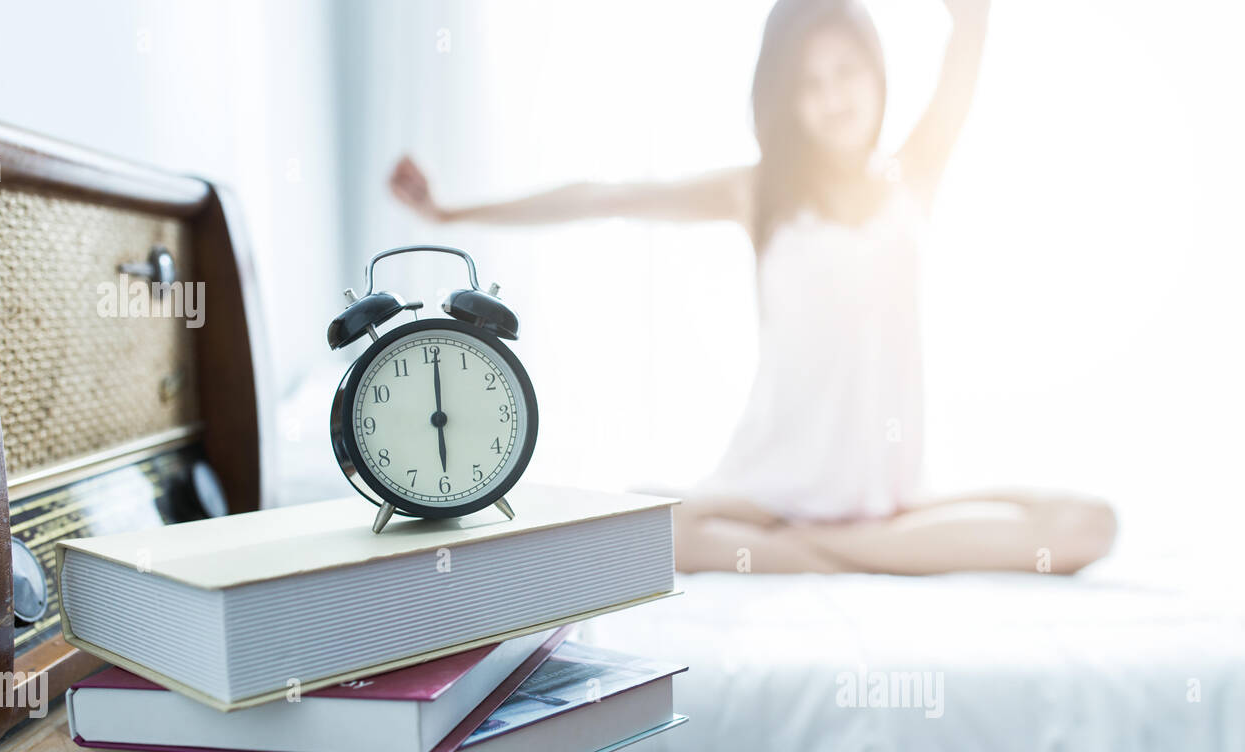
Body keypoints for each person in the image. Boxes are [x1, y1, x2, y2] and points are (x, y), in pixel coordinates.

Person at [389, 0, 1117, 575]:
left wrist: (969, 19)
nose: (834, 96)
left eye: (847, 72)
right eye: (811, 80)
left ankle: (820, 560)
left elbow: (967, 45)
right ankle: (854, 560)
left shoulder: (912, 179)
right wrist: (454, 211)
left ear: (877, 74)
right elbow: (605, 195)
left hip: (893, 503)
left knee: (1089, 525)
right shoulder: (760, 193)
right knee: (645, 524)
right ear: (784, 96)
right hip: (771, 493)